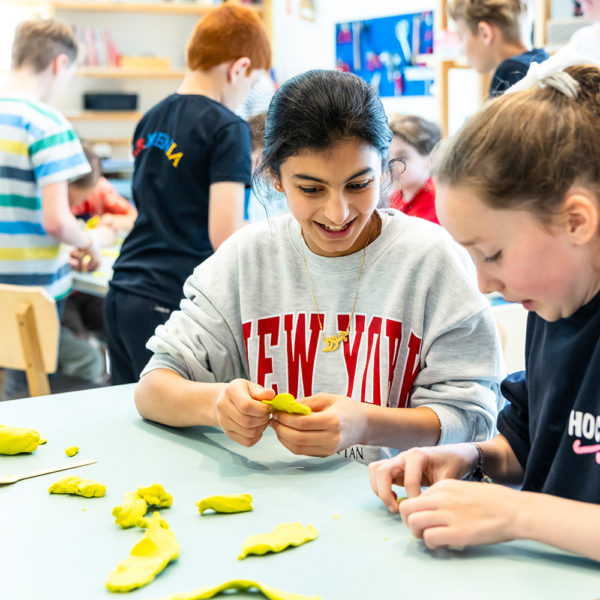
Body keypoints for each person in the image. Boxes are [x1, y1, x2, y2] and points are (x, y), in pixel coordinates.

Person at [134, 69, 505, 464]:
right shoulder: (246, 258)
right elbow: (152, 388)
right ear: (275, 178)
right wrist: (217, 402)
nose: (337, 212)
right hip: (268, 501)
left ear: (383, 169)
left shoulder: (432, 260)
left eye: (358, 184)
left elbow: (475, 419)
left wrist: (366, 424)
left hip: (399, 503)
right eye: (310, 189)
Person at [368, 64, 600, 562]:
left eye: (492, 254)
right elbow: (532, 442)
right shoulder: (554, 300)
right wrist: (470, 459)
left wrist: (517, 515)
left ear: (576, 221)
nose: (483, 283)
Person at [104, 4, 271, 385]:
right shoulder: (228, 128)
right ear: (239, 68)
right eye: (252, 82)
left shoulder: (152, 117)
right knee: (172, 423)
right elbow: (225, 236)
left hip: (122, 290)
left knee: (130, 418)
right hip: (170, 296)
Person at [0, 19, 102, 400]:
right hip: (32, 292)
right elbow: (57, 220)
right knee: (24, 394)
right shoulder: (46, 123)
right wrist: (89, 242)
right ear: (60, 64)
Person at [447, 0, 548, 96]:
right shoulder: (542, 59)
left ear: (485, 34)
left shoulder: (510, 73)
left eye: (461, 37)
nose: (461, 50)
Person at [68, 143, 138, 235]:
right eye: (70, 199)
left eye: (82, 198)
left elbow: (135, 217)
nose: (75, 205)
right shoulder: (54, 191)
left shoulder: (101, 190)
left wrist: (115, 221)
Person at [388, 115, 441, 224]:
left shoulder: (437, 206)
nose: (391, 165)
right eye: (387, 156)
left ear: (430, 160)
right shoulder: (395, 197)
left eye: (402, 157)